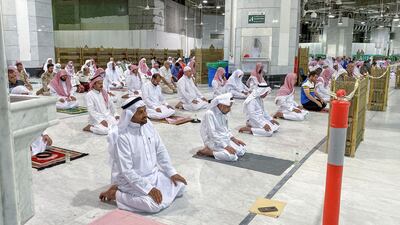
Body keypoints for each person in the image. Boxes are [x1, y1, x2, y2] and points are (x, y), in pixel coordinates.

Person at [99, 96, 187, 213]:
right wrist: (149, 189)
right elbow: (127, 172)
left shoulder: (148, 125)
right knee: (154, 205)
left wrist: (172, 173)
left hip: (153, 175)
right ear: (130, 115)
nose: (145, 114)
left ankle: (154, 191)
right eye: (141, 112)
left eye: (145, 110)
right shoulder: (123, 136)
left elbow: (160, 150)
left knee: (180, 185)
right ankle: (116, 194)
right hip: (131, 181)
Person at [196, 93, 246, 161]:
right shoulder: (210, 113)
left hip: (224, 139)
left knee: (241, 150)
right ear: (221, 105)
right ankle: (209, 152)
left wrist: (234, 139)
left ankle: (220, 151)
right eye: (228, 107)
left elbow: (226, 129)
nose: (229, 110)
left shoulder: (223, 113)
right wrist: (226, 146)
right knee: (232, 157)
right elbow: (212, 134)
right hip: (213, 141)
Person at [83, 69, 119, 135]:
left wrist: (115, 114)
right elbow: (91, 110)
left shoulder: (104, 92)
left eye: (102, 83)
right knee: (105, 131)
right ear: (93, 85)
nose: (101, 85)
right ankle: (90, 127)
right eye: (99, 83)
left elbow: (111, 104)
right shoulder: (89, 95)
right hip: (96, 119)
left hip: (107, 116)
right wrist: (101, 120)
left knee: (118, 125)